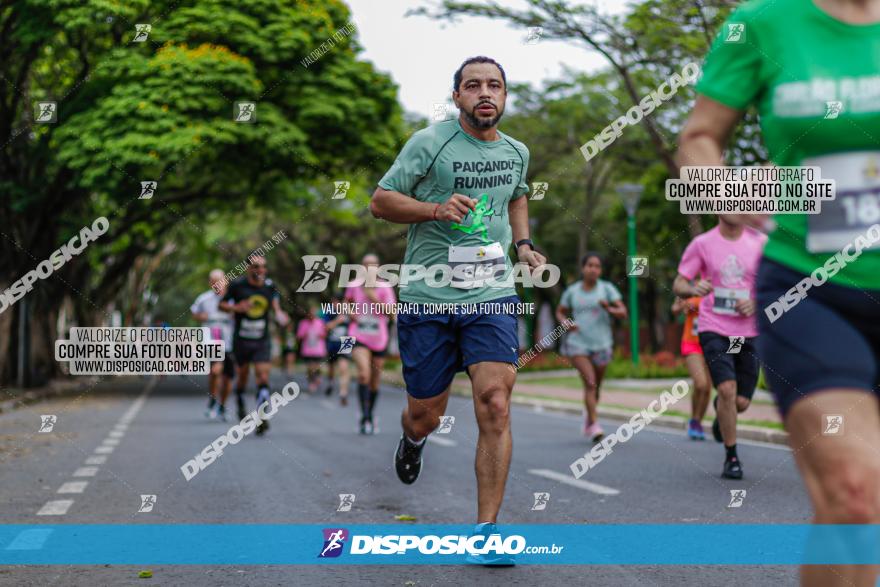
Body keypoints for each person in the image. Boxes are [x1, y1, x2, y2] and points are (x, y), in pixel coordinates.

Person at [680, 0, 880, 584]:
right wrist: (728, 193)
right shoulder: (763, 24)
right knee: (853, 489)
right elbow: (699, 137)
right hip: (810, 288)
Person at [370, 55, 545, 565]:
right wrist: (434, 208)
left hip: (490, 293)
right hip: (428, 295)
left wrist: (525, 245)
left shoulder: (517, 151)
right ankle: (411, 438)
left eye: (494, 85)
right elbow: (380, 202)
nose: (484, 93)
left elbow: (517, 197)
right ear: (457, 97)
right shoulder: (430, 142)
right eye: (473, 86)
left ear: (506, 97)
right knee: (427, 414)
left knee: (495, 402)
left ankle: (486, 532)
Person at [673, 216, 766, 479]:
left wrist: (757, 302)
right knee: (726, 388)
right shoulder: (702, 244)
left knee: (741, 402)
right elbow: (678, 283)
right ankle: (732, 457)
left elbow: (776, 285)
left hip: (748, 332)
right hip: (714, 327)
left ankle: (724, 410)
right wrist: (693, 286)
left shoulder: (760, 243)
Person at [555, 253, 626, 442]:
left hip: (602, 344)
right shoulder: (572, 291)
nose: (593, 269)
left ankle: (589, 419)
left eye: (597, 266)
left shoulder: (607, 289)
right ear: (583, 268)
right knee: (590, 383)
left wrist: (609, 308)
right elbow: (560, 312)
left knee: (597, 386)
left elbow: (623, 312)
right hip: (578, 344)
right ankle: (594, 424)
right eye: (590, 265)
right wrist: (566, 323)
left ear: (600, 270)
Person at [219, 255, 289, 434]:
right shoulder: (237, 285)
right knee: (242, 376)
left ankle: (261, 416)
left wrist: (280, 315)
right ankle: (241, 402)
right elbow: (222, 305)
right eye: (256, 266)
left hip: (261, 340)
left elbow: (276, 306)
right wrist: (237, 308)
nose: (261, 270)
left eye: (264, 267)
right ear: (248, 268)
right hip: (241, 340)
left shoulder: (269, 286)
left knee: (263, 377)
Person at [345, 253, 396, 434]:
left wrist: (373, 296)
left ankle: (370, 413)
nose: (369, 268)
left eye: (373, 265)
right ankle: (365, 416)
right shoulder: (353, 285)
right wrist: (351, 313)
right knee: (363, 375)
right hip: (359, 336)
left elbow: (392, 314)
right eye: (366, 265)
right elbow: (346, 303)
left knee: (375, 382)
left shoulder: (384, 287)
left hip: (379, 339)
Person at [190, 269, 235, 421]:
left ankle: (222, 405)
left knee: (228, 377)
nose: (217, 284)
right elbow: (194, 312)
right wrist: (200, 316)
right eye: (214, 281)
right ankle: (212, 400)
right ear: (210, 283)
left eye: (220, 280)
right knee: (215, 371)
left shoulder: (232, 299)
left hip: (230, 340)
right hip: (211, 339)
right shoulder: (204, 299)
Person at [671, 295, 712, 440]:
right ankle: (694, 419)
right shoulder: (689, 290)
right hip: (691, 344)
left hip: (711, 344)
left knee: (707, 388)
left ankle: (697, 422)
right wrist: (683, 305)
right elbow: (675, 309)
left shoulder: (719, 290)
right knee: (700, 383)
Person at [321, 291, 352, 405]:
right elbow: (326, 327)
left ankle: (343, 393)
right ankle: (331, 382)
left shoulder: (348, 310)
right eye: (333, 302)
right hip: (332, 341)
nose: (335, 304)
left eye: (338, 302)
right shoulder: (329, 311)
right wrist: (337, 321)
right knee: (331, 367)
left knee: (344, 368)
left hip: (346, 341)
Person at [296, 305, 327, 394]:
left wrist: (318, 335)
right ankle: (311, 382)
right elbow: (299, 336)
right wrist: (305, 334)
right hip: (307, 350)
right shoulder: (303, 323)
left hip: (318, 349)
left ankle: (317, 377)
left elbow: (324, 335)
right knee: (310, 368)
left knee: (317, 367)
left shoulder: (320, 322)